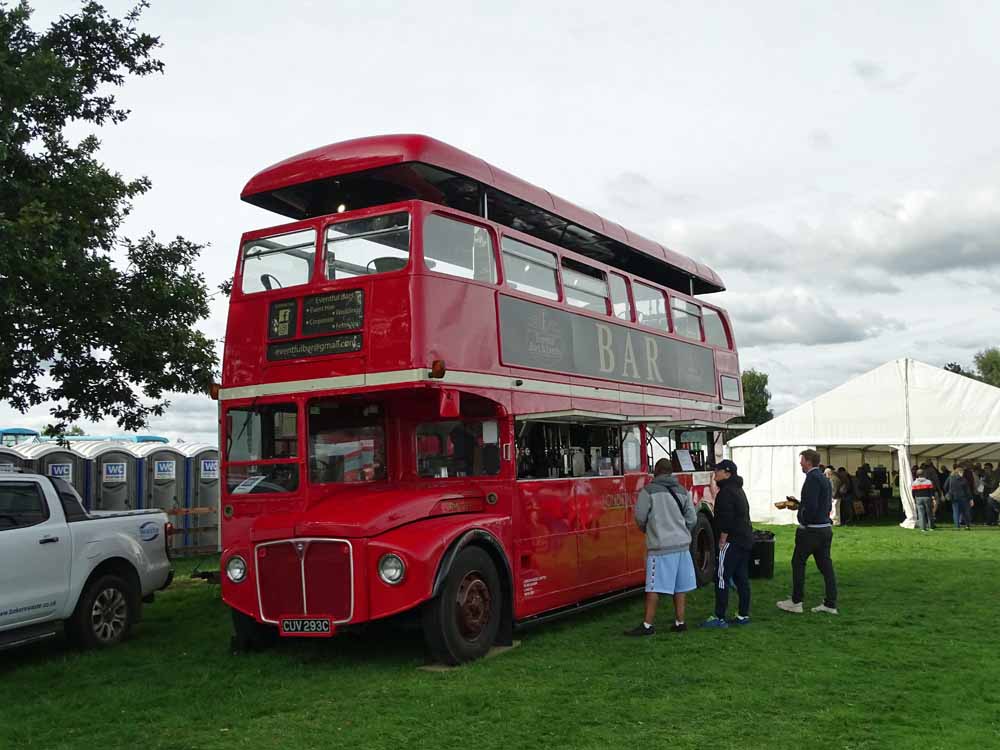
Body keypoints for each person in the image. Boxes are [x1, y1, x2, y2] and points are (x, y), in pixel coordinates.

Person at [625, 458, 698, 636]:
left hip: (661, 548)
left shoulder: (648, 491)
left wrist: (650, 530)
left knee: (653, 587)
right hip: (682, 547)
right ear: (671, 472)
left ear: (655, 471)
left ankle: (647, 625)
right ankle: (680, 622)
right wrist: (681, 532)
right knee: (680, 587)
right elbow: (692, 518)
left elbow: (640, 517)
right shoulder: (682, 490)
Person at [777, 449, 838, 615]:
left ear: (808, 461)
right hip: (825, 529)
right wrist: (799, 505)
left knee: (798, 563)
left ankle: (796, 602)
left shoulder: (812, 478)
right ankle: (830, 603)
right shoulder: (824, 478)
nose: (800, 464)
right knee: (826, 567)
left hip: (811, 531)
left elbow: (811, 507)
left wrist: (802, 517)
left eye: (802, 460)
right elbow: (822, 504)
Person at [702, 459, 753, 628]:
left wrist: (723, 539)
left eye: (718, 471)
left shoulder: (725, 493)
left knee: (721, 577)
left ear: (727, 473)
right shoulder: (738, 489)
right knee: (741, 578)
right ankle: (743, 615)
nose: (715, 473)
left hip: (731, 540)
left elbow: (726, 518)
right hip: (744, 539)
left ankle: (719, 616)